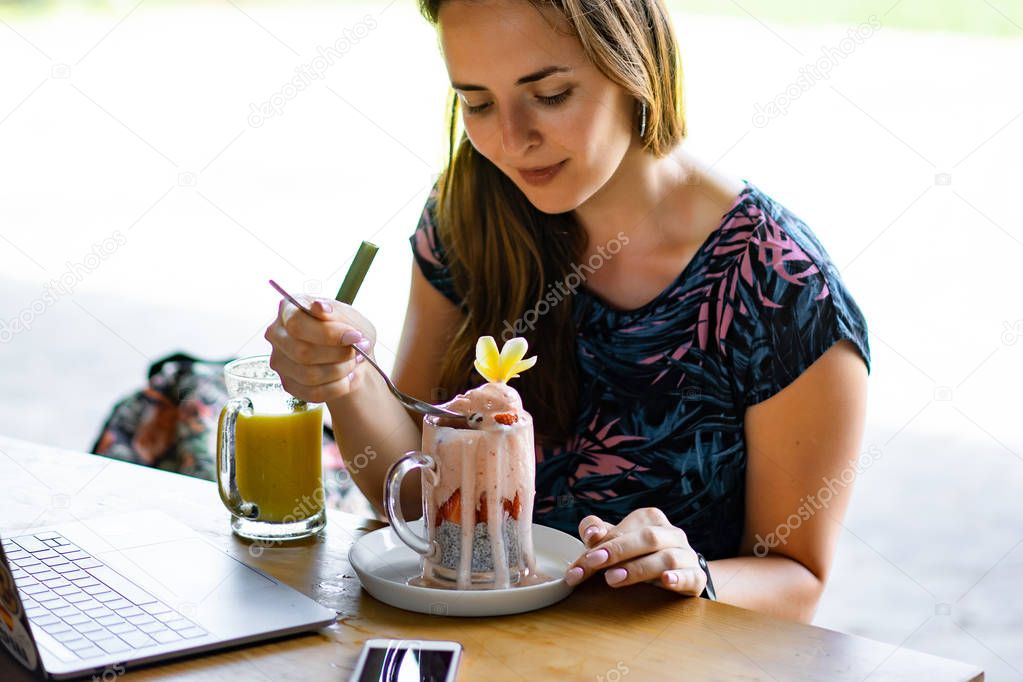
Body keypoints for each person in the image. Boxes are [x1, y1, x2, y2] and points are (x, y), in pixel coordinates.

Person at [265, 0, 870, 623]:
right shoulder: (466, 213)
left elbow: (800, 580)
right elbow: (421, 500)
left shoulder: (782, 288)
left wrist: (698, 575)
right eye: (476, 103)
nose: (510, 139)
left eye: (550, 94)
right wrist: (350, 375)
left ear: (634, 64)